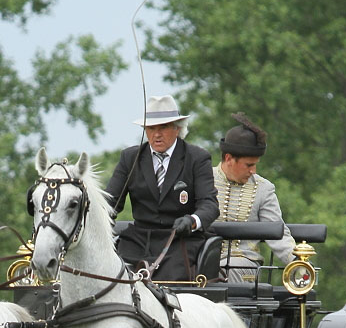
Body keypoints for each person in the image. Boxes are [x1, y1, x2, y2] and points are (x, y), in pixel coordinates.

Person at [106, 94, 219, 282]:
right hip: (138, 240)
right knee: (115, 277)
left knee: (173, 280)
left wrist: (192, 220)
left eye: (163, 127)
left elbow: (209, 205)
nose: (157, 134)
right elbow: (110, 203)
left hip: (179, 239)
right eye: (151, 128)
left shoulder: (197, 158)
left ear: (177, 129)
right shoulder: (130, 158)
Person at [214, 112, 296, 283]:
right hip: (203, 260)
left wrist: (298, 262)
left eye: (255, 165)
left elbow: (278, 233)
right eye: (249, 165)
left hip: (243, 266)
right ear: (229, 159)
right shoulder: (203, 180)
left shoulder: (263, 189)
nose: (253, 171)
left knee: (223, 271)